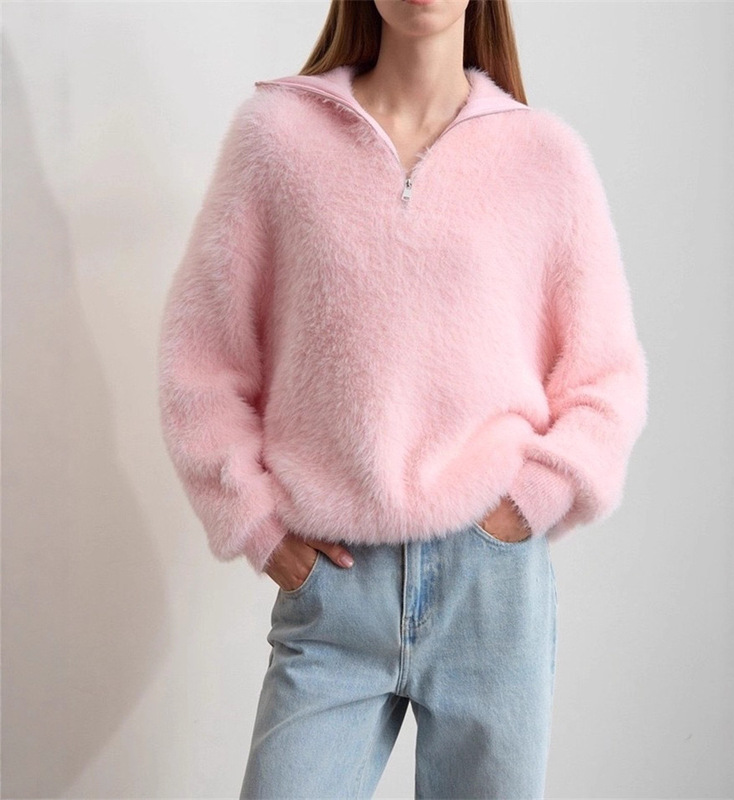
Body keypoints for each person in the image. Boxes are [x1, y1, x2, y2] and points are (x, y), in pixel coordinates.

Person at [157, 0, 649, 797]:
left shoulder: (545, 157)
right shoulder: (276, 138)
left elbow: (606, 376)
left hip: (491, 589)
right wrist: (254, 521)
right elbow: (202, 358)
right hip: (333, 590)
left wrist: (529, 501)